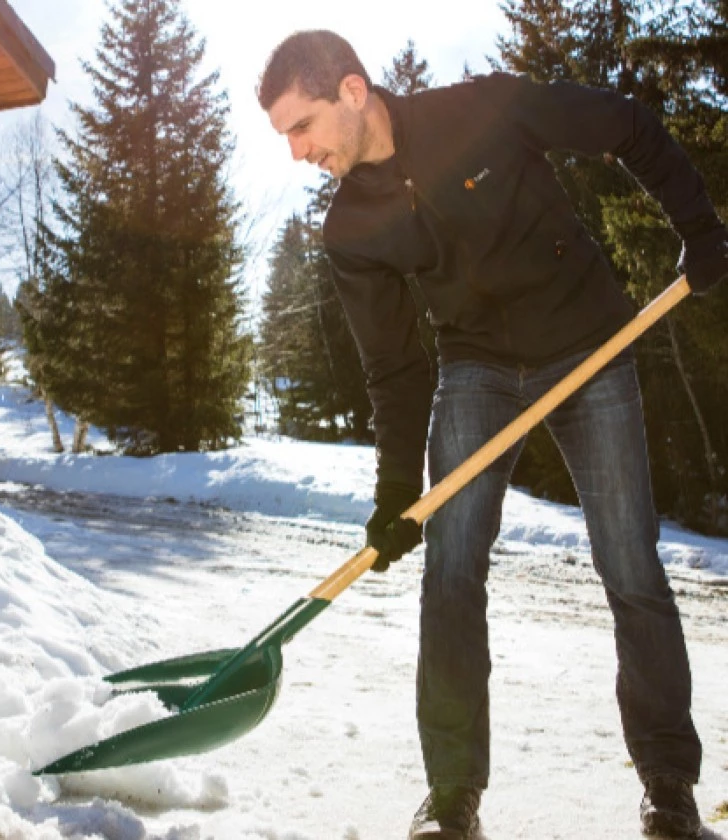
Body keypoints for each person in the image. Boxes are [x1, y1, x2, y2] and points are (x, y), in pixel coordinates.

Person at [257, 29, 728, 840]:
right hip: (475, 368)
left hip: (588, 345)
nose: (297, 152)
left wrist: (703, 229)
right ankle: (450, 799)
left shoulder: (481, 109)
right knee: (449, 572)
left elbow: (625, 125)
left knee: (630, 565)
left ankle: (668, 788)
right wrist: (398, 491)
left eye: (301, 127)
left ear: (352, 91)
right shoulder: (349, 231)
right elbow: (395, 369)